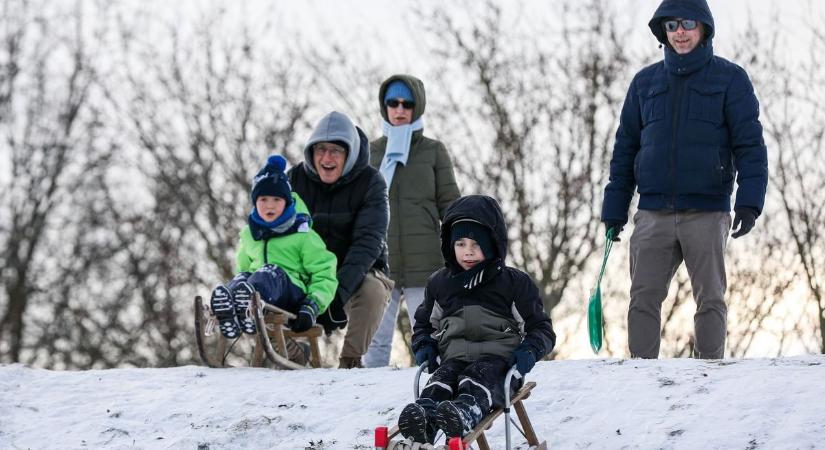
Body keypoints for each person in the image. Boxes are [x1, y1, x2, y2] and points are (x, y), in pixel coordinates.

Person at [601, 0, 768, 359]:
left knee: (710, 297)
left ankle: (709, 374)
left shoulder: (730, 79)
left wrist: (750, 202)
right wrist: (614, 210)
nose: (680, 32)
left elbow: (750, 145)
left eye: (688, 24)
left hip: (707, 211)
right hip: (652, 211)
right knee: (642, 296)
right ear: (663, 30)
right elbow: (625, 149)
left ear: (704, 27)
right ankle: (641, 375)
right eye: (672, 24)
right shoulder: (644, 83)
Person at [397, 195, 555, 443]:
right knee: (441, 381)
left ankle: (464, 412)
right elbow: (424, 325)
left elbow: (541, 328)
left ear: (492, 244)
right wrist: (424, 345)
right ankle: (424, 420)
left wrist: (529, 351)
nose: (467, 252)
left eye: (476, 244)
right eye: (460, 244)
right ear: (450, 245)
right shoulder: (441, 284)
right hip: (453, 358)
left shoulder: (513, 284)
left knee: (478, 378)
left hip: (499, 362)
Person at [364, 74, 461, 368]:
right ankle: (367, 397)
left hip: (426, 262)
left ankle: (437, 388)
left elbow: (451, 206)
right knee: (376, 339)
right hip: (382, 261)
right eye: (392, 102)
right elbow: (362, 209)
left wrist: (461, 250)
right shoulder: (372, 152)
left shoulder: (433, 151)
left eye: (407, 103)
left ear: (417, 106)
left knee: (432, 335)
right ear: (385, 107)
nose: (400, 109)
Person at [288, 111, 394, 369]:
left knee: (374, 290)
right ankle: (294, 363)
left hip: (356, 272)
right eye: (320, 149)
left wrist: (335, 297)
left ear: (349, 153)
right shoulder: (294, 180)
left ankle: (350, 361)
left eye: (335, 150)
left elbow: (367, 243)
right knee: (269, 289)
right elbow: (281, 235)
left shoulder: (371, 182)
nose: (326, 158)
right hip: (308, 271)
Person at [209, 155, 338, 341]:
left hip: (293, 295)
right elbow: (243, 269)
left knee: (270, 272)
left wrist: (312, 304)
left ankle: (249, 303)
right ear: (255, 203)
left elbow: (325, 272)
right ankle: (229, 307)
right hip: (259, 294)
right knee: (243, 277)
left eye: (277, 199)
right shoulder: (249, 235)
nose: (270, 205)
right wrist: (239, 284)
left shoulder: (302, 235)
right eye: (263, 199)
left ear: (286, 202)